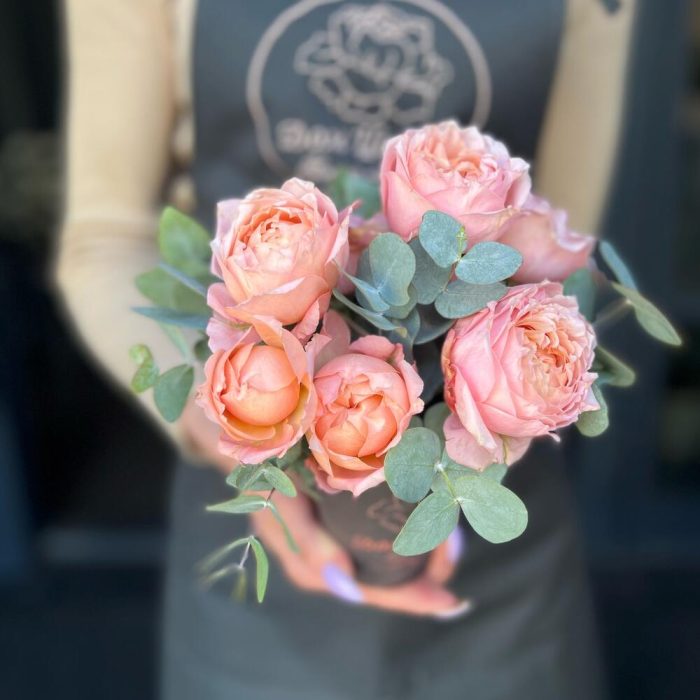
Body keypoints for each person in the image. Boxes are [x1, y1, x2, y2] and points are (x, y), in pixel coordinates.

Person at [57, 1, 636, 698]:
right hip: (251, 539)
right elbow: (105, 239)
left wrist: (482, 429)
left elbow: (558, 250)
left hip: (496, 558)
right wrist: (231, 419)